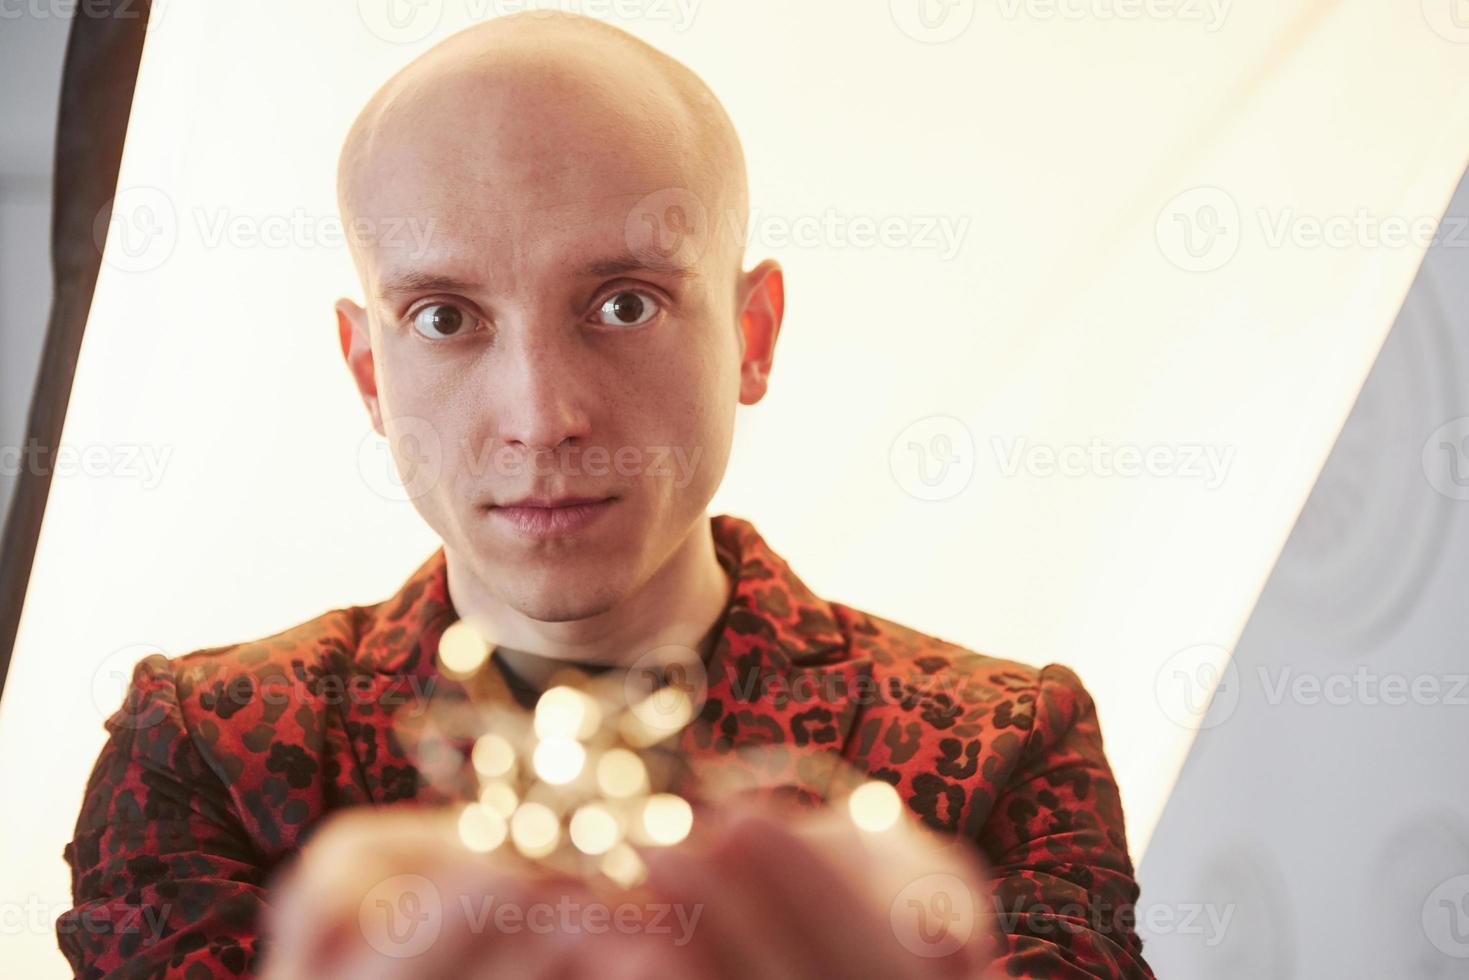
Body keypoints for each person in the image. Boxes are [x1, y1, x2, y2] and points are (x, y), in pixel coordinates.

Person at [57, 12, 1155, 978]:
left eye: (624, 304)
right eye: (445, 317)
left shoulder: (1002, 739)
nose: (542, 415)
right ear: (366, 373)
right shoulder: (205, 748)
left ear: (752, 338)